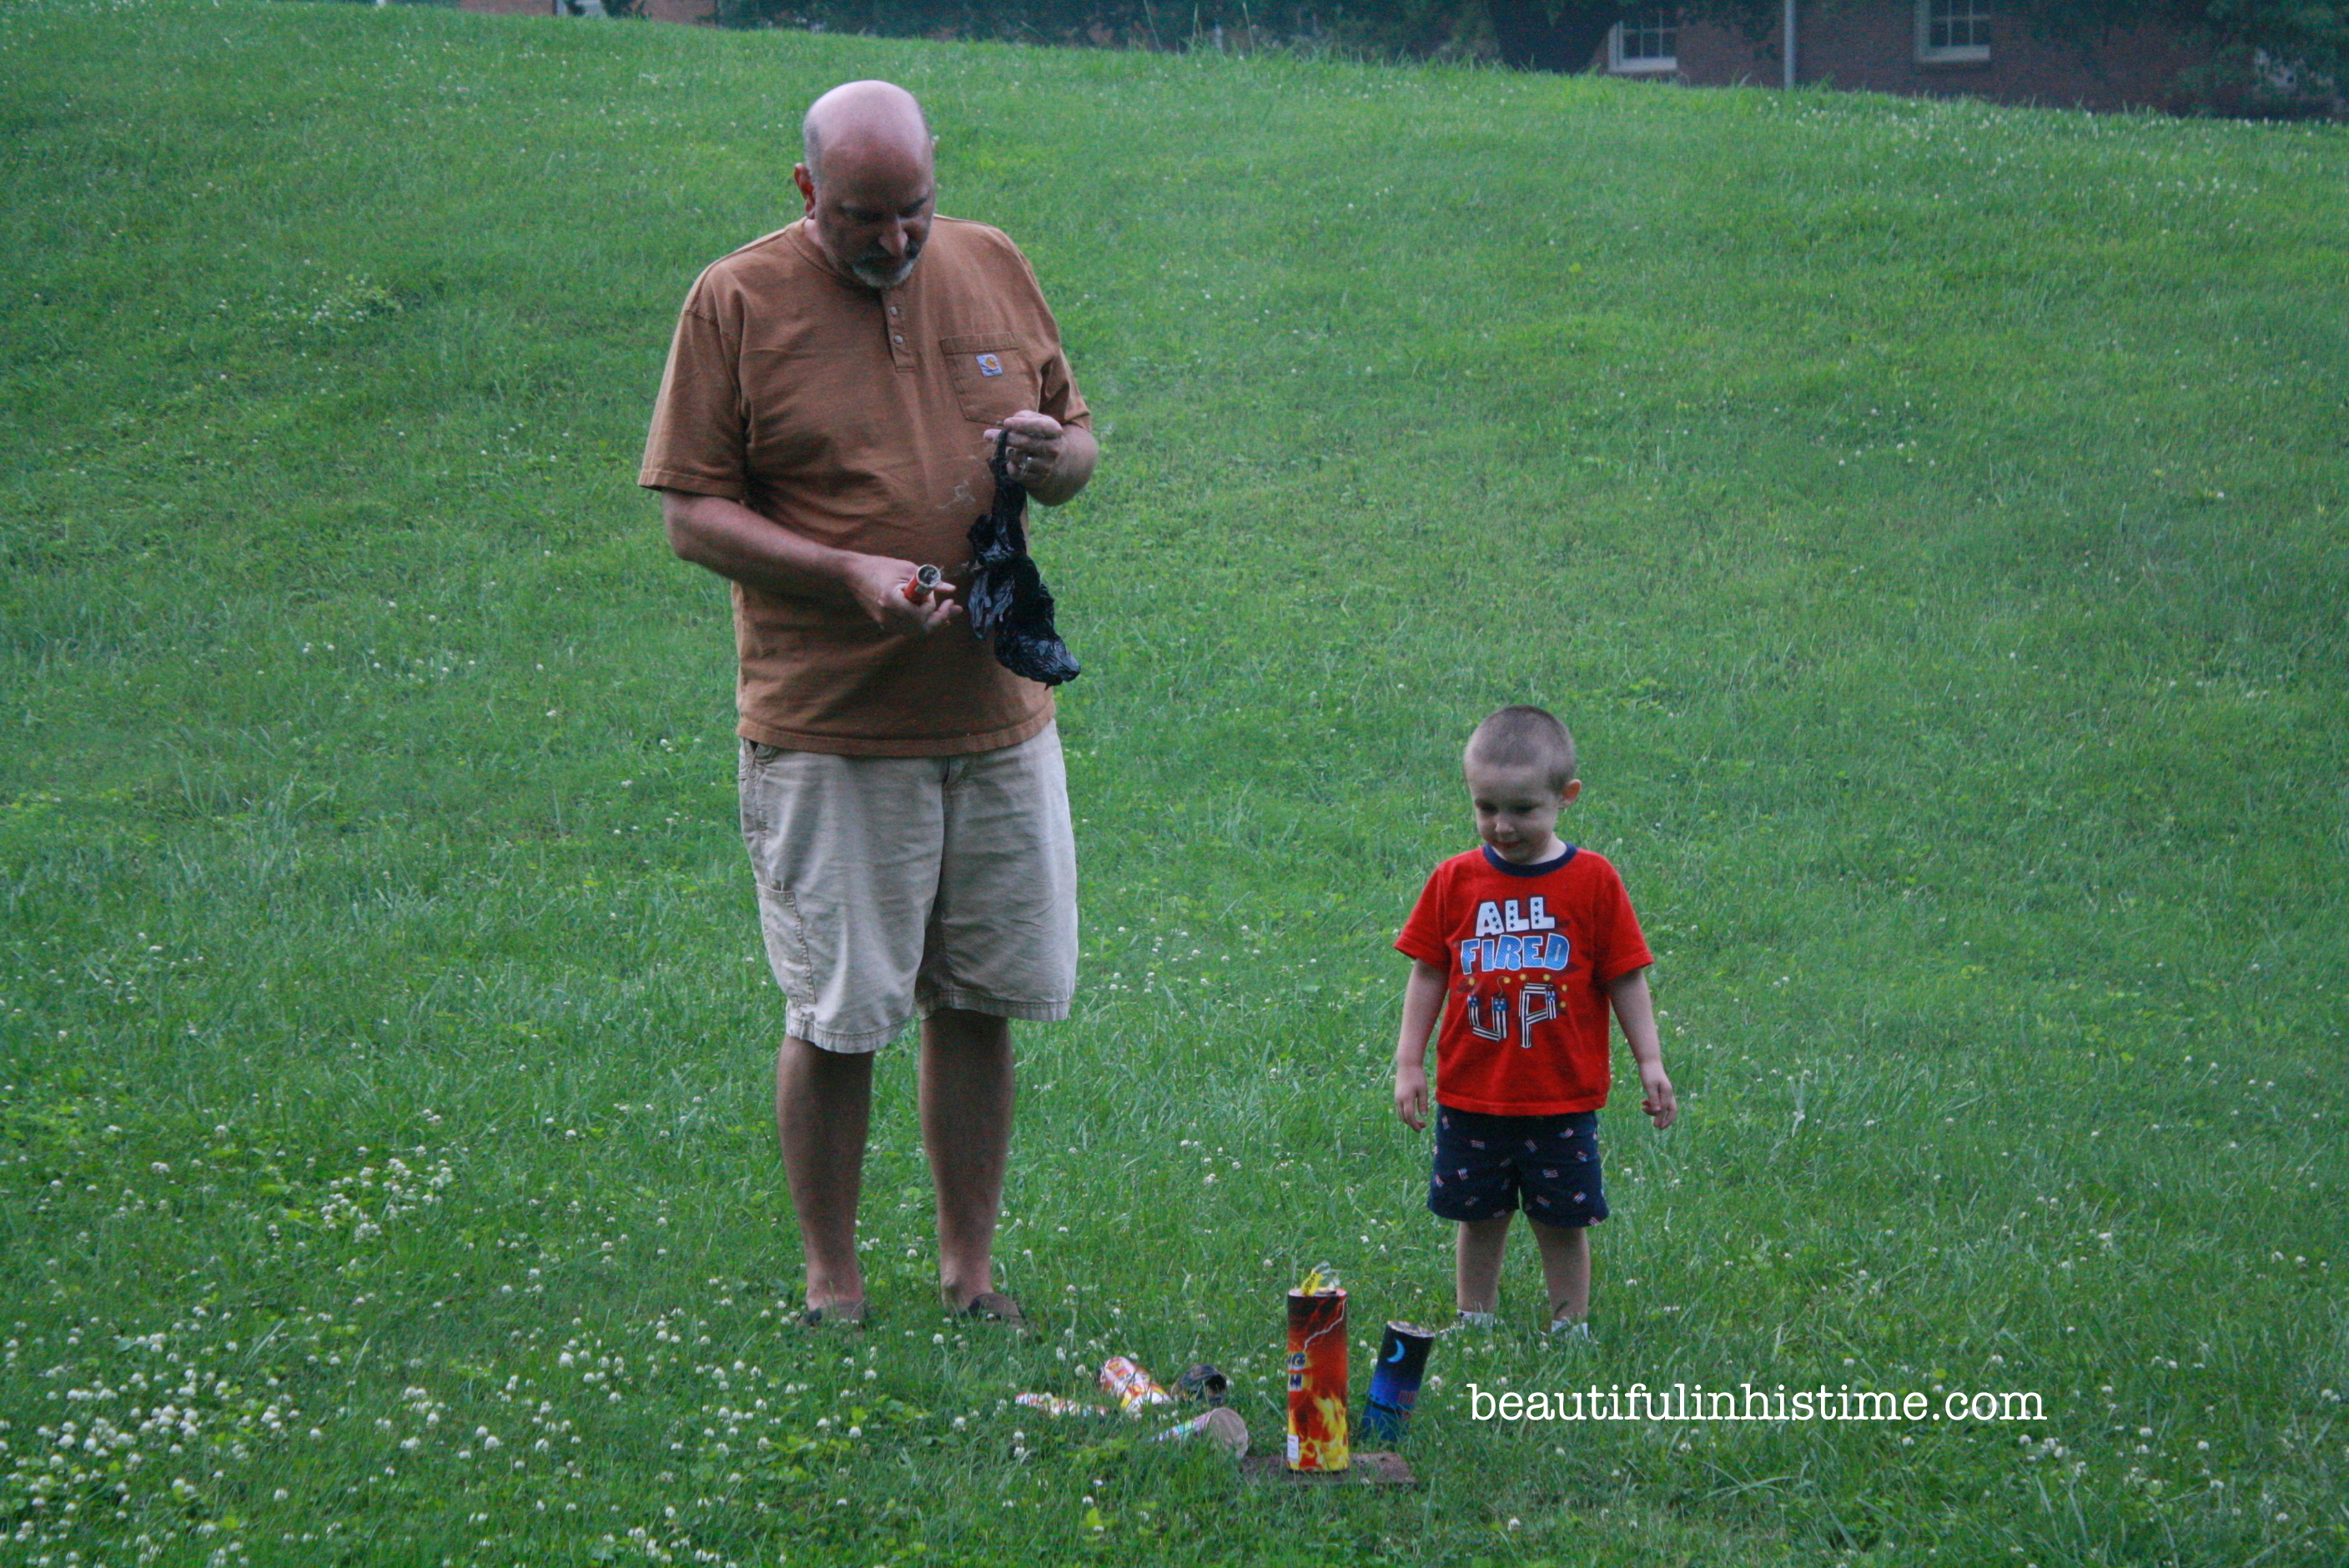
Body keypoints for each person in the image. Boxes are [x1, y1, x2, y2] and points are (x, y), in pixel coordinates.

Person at [638, 79, 1099, 1329]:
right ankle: (832, 1285)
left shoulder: (992, 260)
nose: (895, 241)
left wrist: (1058, 462)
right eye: (861, 218)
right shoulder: (735, 300)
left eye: (914, 210)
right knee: (841, 1016)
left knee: (981, 1000)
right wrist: (845, 573)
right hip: (832, 727)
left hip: (999, 716)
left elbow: (1076, 436)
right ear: (805, 194)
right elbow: (689, 513)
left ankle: (970, 1274)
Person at [1390, 706, 1676, 1338]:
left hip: (1561, 1096)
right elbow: (1429, 972)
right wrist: (1409, 1062)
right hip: (1473, 1092)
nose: (1502, 825)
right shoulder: (1454, 881)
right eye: (1486, 807)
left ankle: (1569, 1325)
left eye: (1523, 809)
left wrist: (1649, 1061)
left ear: (1565, 797)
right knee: (1479, 1215)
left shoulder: (1593, 880)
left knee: (1562, 1219)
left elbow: (1625, 974)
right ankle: (1476, 1318)